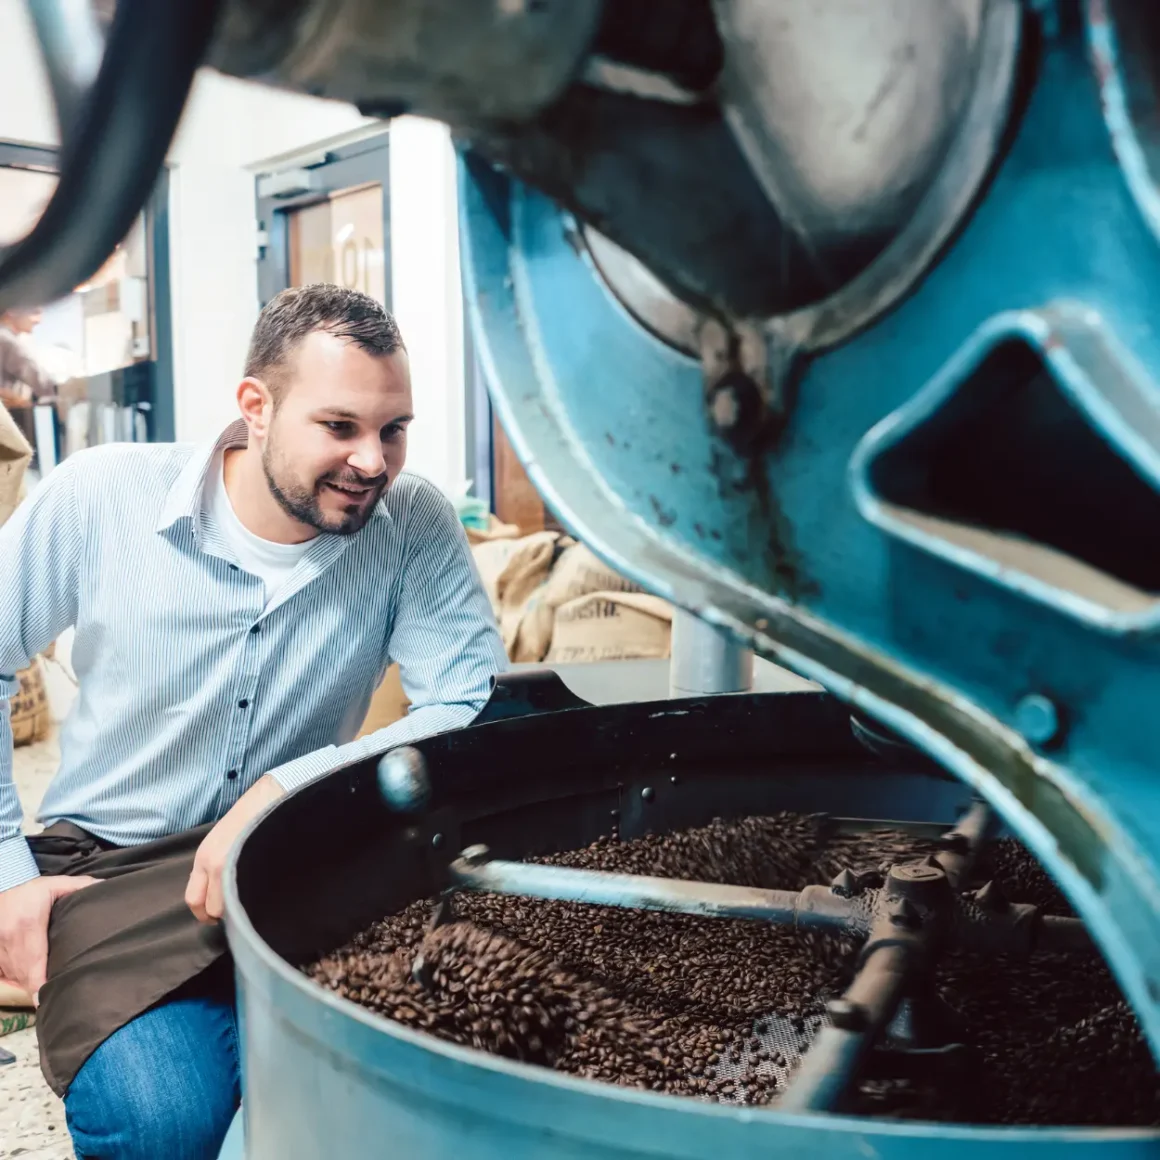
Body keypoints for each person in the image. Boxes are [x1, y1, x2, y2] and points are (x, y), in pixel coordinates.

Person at [0, 284, 507, 1159]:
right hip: (115, 878)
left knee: (417, 1085)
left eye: (395, 429)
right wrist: (6, 875)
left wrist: (282, 788)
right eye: (340, 426)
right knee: (166, 1123)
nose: (375, 461)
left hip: (310, 853)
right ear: (256, 408)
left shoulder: (413, 522)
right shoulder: (101, 497)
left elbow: (465, 702)